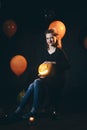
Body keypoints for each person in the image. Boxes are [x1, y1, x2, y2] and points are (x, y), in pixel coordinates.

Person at [12, 29, 70, 119]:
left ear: (56, 38)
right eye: (47, 38)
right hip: (46, 78)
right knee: (33, 84)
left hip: (56, 80)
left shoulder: (59, 51)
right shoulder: (44, 51)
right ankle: (19, 110)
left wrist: (53, 63)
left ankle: (32, 111)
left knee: (36, 82)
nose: (49, 40)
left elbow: (67, 65)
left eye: (51, 38)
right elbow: (41, 67)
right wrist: (41, 74)